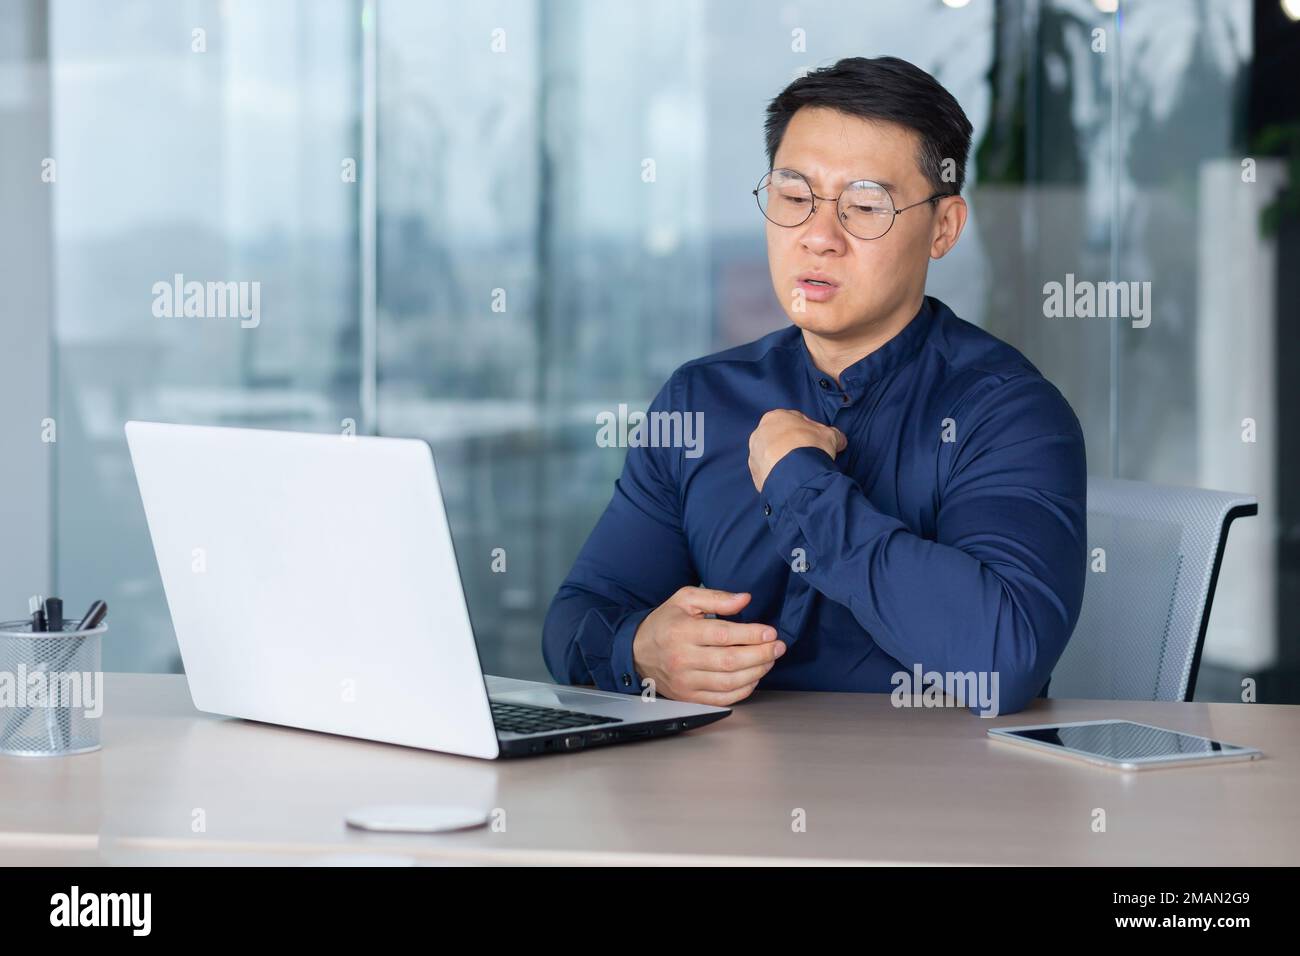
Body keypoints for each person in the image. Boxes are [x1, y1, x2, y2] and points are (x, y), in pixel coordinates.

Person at [543, 56, 1087, 716]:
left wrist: (801, 486)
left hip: (933, 807)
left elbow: (1004, 661)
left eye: (864, 206)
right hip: (714, 804)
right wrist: (637, 650)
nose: (818, 237)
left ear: (943, 227)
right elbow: (577, 616)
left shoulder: (1007, 412)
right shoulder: (701, 402)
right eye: (794, 198)